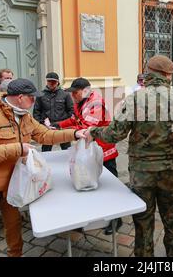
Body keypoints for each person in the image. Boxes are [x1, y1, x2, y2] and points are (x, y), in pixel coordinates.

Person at [0, 78, 86, 257]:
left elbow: (46, 135)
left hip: (12, 187)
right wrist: (17, 148)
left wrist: (75, 134)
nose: (34, 101)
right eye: (32, 98)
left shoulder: (24, 116)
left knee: (15, 234)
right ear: (21, 97)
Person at [86, 55, 173, 257]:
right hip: (171, 173)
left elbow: (114, 134)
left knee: (142, 225)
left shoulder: (135, 99)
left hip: (142, 174)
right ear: (168, 75)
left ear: (148, 72)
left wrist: (94, 131)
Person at [58, 77, 120, 235]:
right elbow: (74, 119)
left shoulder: (96, 103)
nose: (73, 96)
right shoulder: (81, 103)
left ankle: (116, 219)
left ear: (84, 90)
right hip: (91, 151)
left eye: (75, 93)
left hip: (104, 151)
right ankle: (97, 215)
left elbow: (86, 129)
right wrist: (58, 125)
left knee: (110, 188)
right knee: (94, 185)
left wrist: (64, 134)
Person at [33, 72, 74, 151]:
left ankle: (68, 163)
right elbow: (36, 111)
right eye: (49, 81)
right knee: (46, 151)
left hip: (62, 127)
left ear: (58, 82)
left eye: (54, 81)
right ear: (47, 82)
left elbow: (71, 111)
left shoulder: (65, 94)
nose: (51, 83)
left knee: (67, 150)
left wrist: (65, 123)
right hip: (47, 128)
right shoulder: (41, 95)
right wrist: (41, 124)